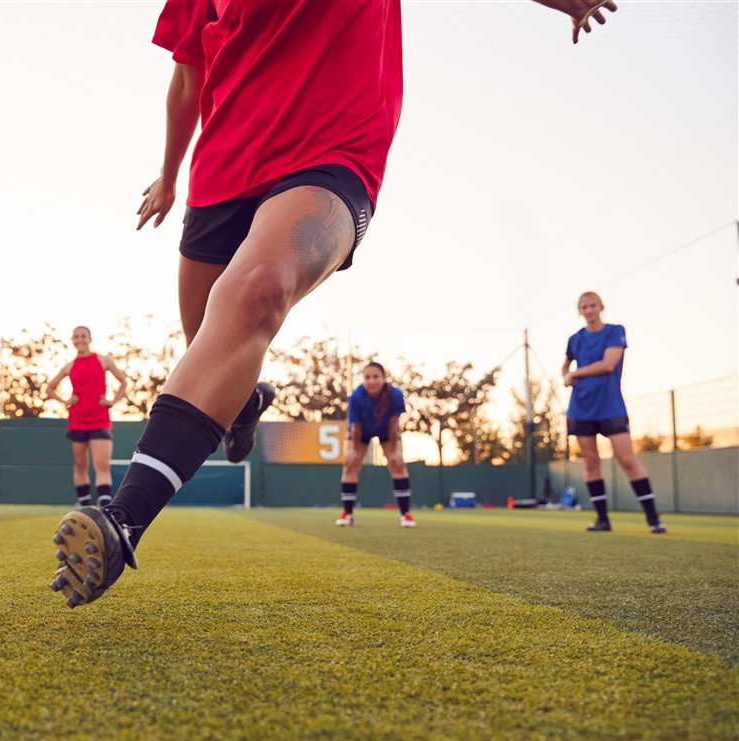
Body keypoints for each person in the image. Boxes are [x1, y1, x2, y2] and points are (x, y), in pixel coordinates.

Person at [49, 0, 621, 609]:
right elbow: (188, 77)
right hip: (221, 174)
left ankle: (124, 521)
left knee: (257, 291)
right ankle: (243, 404)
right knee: (209, 350)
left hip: (331, 155)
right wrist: (168, 173)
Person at [562, 291, 666, 533]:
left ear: (601, 307)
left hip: (610, 406)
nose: (589, 310)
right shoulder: (574, 339)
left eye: (592, 305)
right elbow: (566, 364)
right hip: (581, 407)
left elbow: (608, 364)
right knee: (590, 461)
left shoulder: (615, 331)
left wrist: (576, 373)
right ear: (580, 311)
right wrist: (565, 375)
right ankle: (602, 520)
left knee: (627, 459)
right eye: (584, 307)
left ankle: (653, 519)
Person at [44, 326, 129, 507]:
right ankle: (84, 507)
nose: (80, 339)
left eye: (83, 336)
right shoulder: (70, 366)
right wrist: (65, 401)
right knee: (80, 465)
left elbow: (123, 382)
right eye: (76, 337)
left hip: (99, 421)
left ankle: (105, 508)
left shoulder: (103, 360)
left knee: (102, 465)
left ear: (90, 338)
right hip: (77, 421)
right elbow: (49, 388)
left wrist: (113, 401)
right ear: (72, 340)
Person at [335, 363, 415, 528]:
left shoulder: (395, 395)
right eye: (367, 377)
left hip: (387, 430)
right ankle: (347, 513)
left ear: (384, 378)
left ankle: (405, 514)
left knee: (397, 464)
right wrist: (354, 452)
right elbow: (355, 427)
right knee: (350, 464)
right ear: (363, 379)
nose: (371, 381)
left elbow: (393, 425)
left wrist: (394, 453)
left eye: (376, 376)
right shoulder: (356, 396)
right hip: (361, 430)